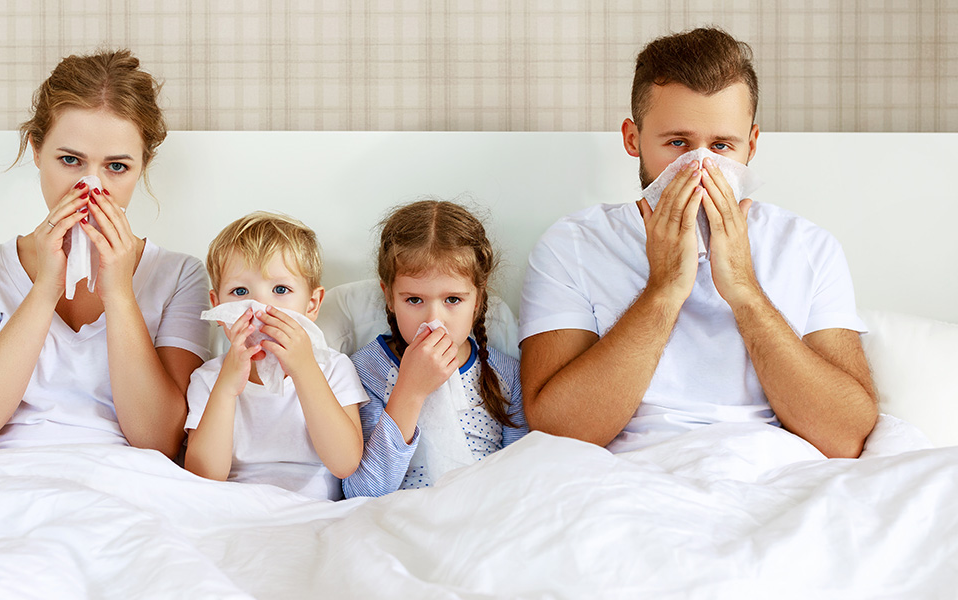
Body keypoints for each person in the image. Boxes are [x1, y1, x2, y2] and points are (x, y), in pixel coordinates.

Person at [519, 28, 877, 459]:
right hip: (627, 477)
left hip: (773, 470)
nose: (699, 167)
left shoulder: (807, 246)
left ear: (753, 144)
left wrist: (744, 290)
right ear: (633, 139)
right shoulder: (572, 245)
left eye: (722, 145)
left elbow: (844, 435)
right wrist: (664, 289)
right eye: (678, 143)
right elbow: (559, 431)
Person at [0, 50, 210, 460]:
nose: (91, 188)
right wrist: (46, 287)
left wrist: (119, 292)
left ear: (143, 167)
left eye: (116, 167)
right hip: (1, 481)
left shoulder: (179, 275)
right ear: (36, 151)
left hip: (131, 482)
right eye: (70, 160)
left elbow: (160, 441)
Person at [343, 200, 527, 498]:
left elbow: (524, 475)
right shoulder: (366, 370)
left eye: (453, 300)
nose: (433, 320)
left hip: (485, 513)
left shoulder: (506, 374)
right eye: (414, 300)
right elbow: (362, 492)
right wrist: (410, 391)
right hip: (401, 517)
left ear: (478, 300)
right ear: (389, 297)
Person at [184, 212, 366, 501]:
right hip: (233, 507)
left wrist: (305, 370)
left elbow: (344, 463)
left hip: (313, 511)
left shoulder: (333, 368)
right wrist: (227, 388)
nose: (260, 307)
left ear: (312, 304)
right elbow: (203, 476)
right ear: (217, 308)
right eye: (240, 291)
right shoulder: (208, 378)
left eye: (281, 290)